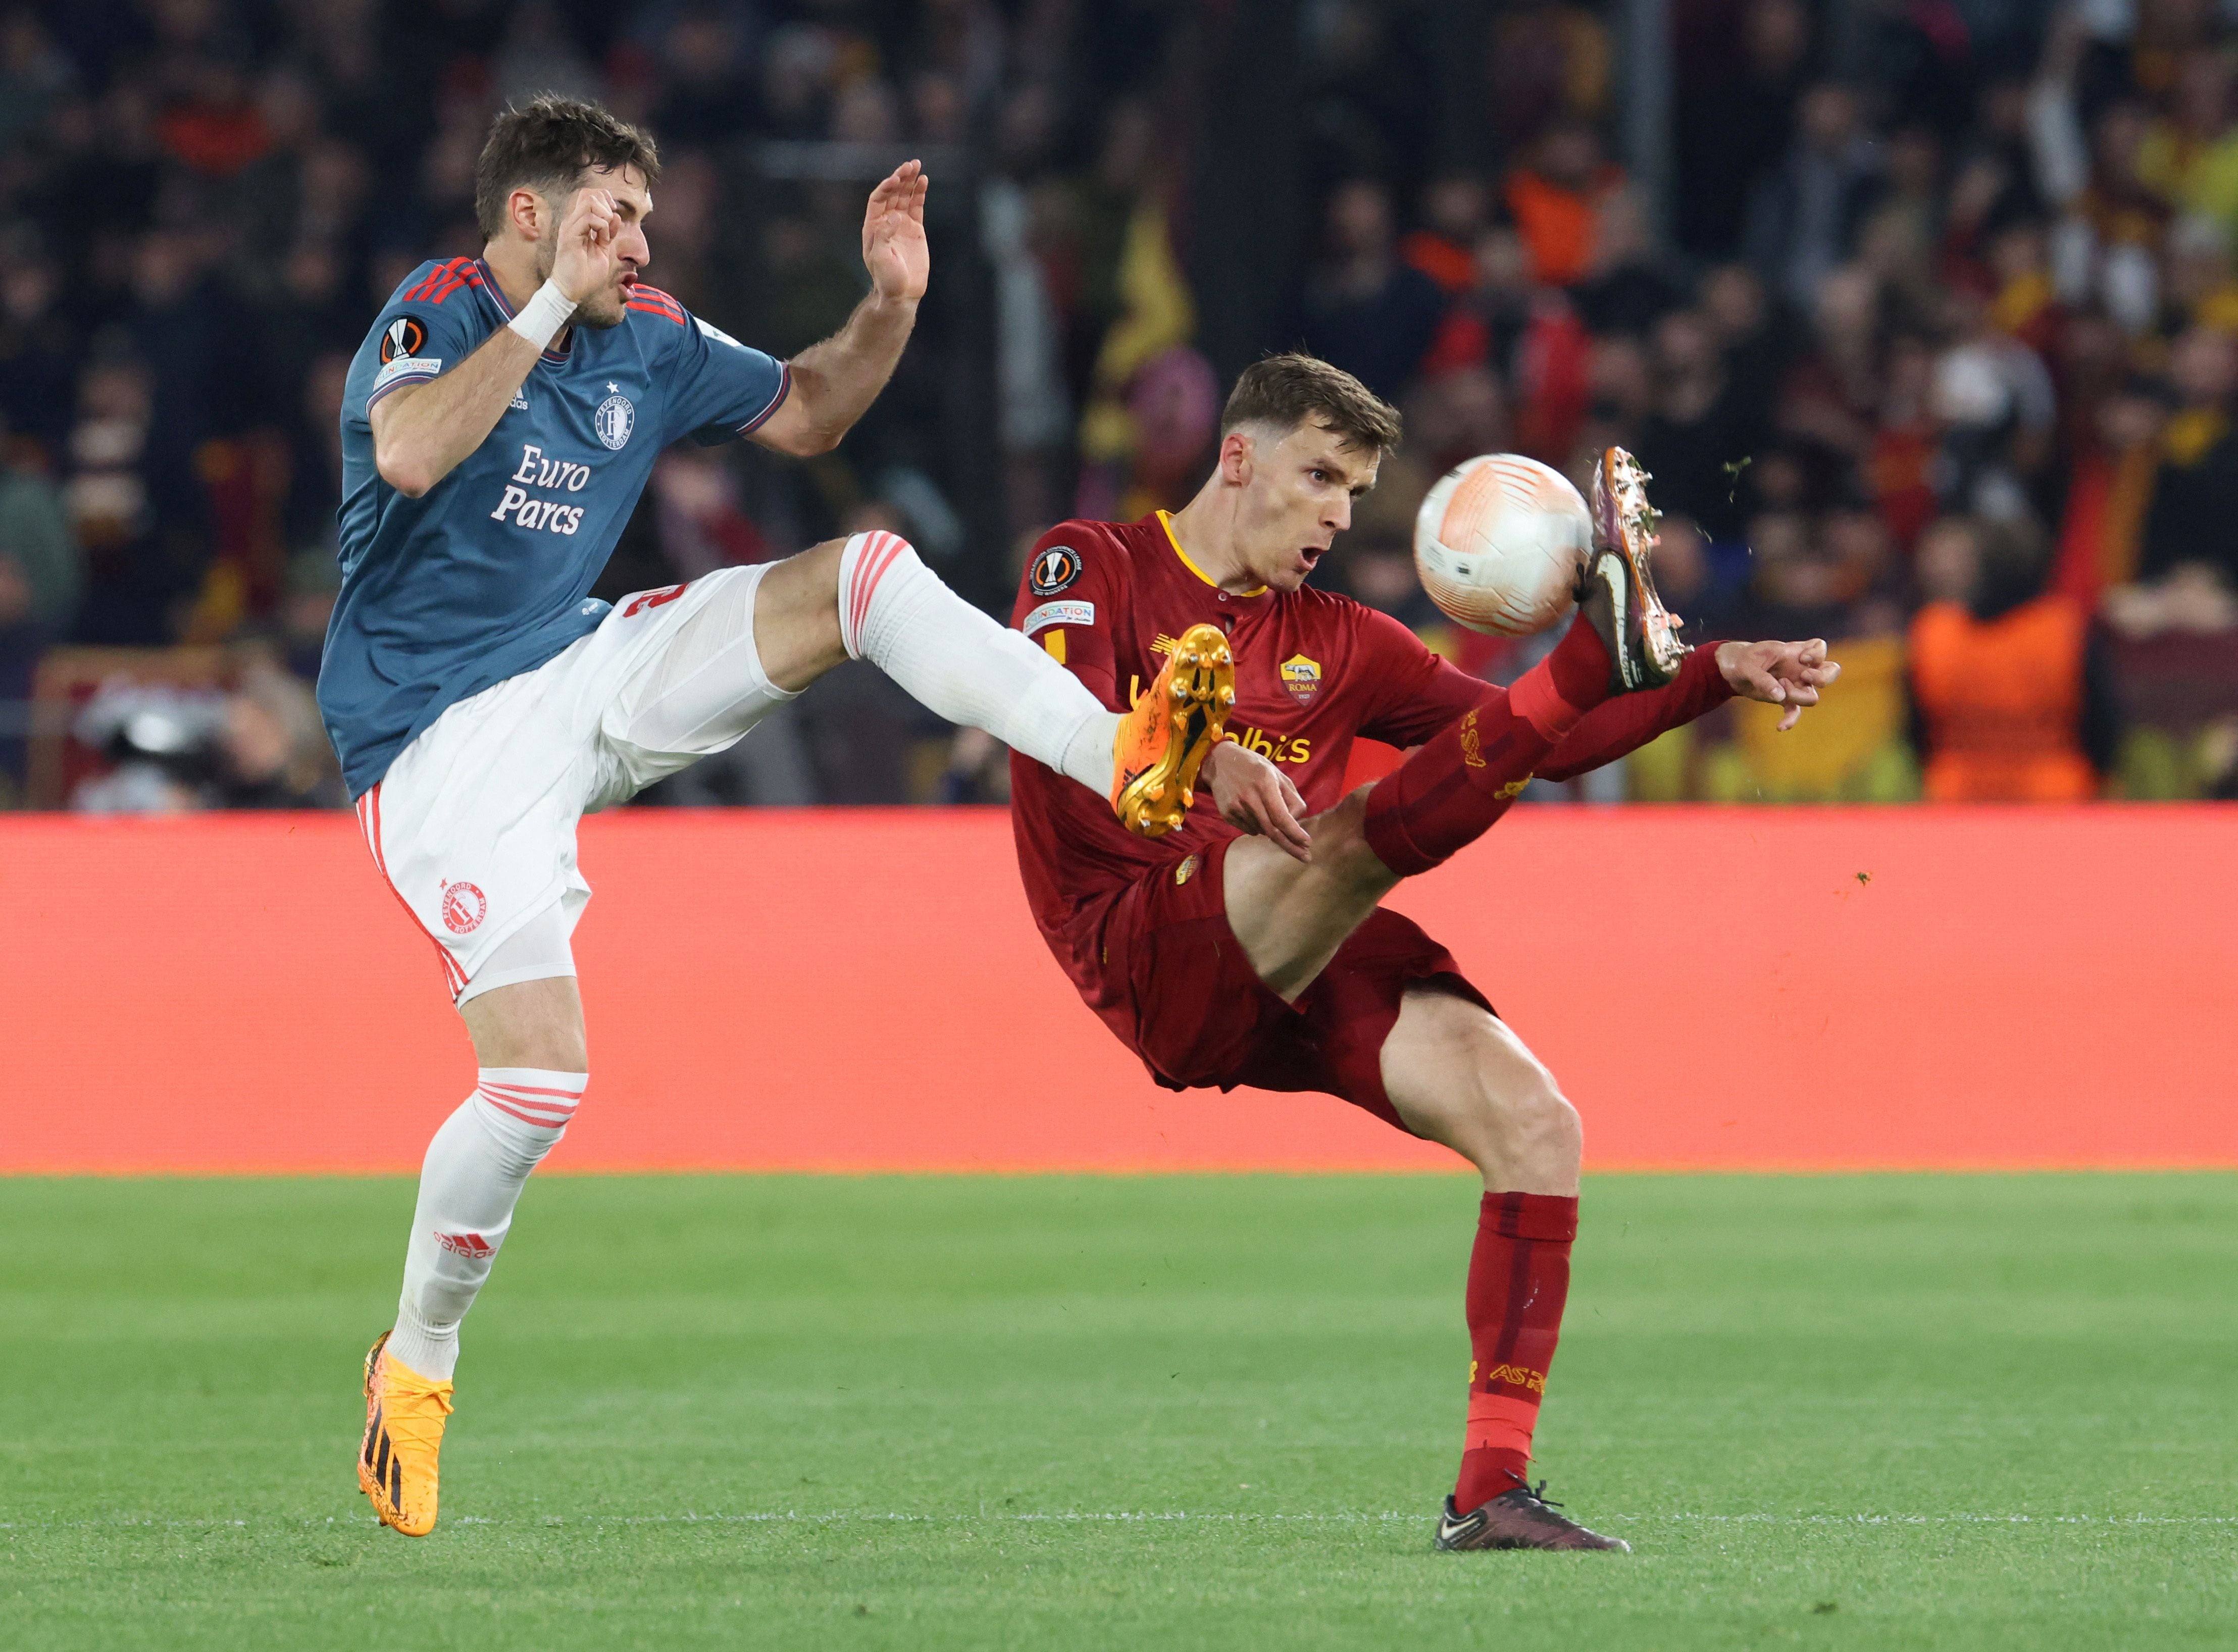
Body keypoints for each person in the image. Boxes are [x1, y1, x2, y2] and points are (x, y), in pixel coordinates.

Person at [339, 96, 1258, 1537]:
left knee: (860, 575)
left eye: (644, 216)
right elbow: (407, 457)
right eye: (611, 215)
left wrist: (886, 302)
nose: (640, 242)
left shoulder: (646, 334)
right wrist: (542, 322)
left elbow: (815, 405)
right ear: (529, 216)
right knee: (537, 1089)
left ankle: (1129, 754)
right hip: (435, 742)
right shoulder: (440, 313)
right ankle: (419, 1360)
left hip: (580, 663)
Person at [1006, 355, 1839, 1552]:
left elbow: (1540, 750)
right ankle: (1588, 649)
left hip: (1291, 932)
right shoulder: (1089, 560)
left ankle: (1489, 1491)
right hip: (1139, 926)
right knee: (1344, 843)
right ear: (1236, 458)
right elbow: (1047, 707)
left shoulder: (1341, 639)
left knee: (1536, 1121)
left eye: (1356, 491)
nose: (1340, 516)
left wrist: (1713, 671)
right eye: (1320, 476)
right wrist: (1195, 760)